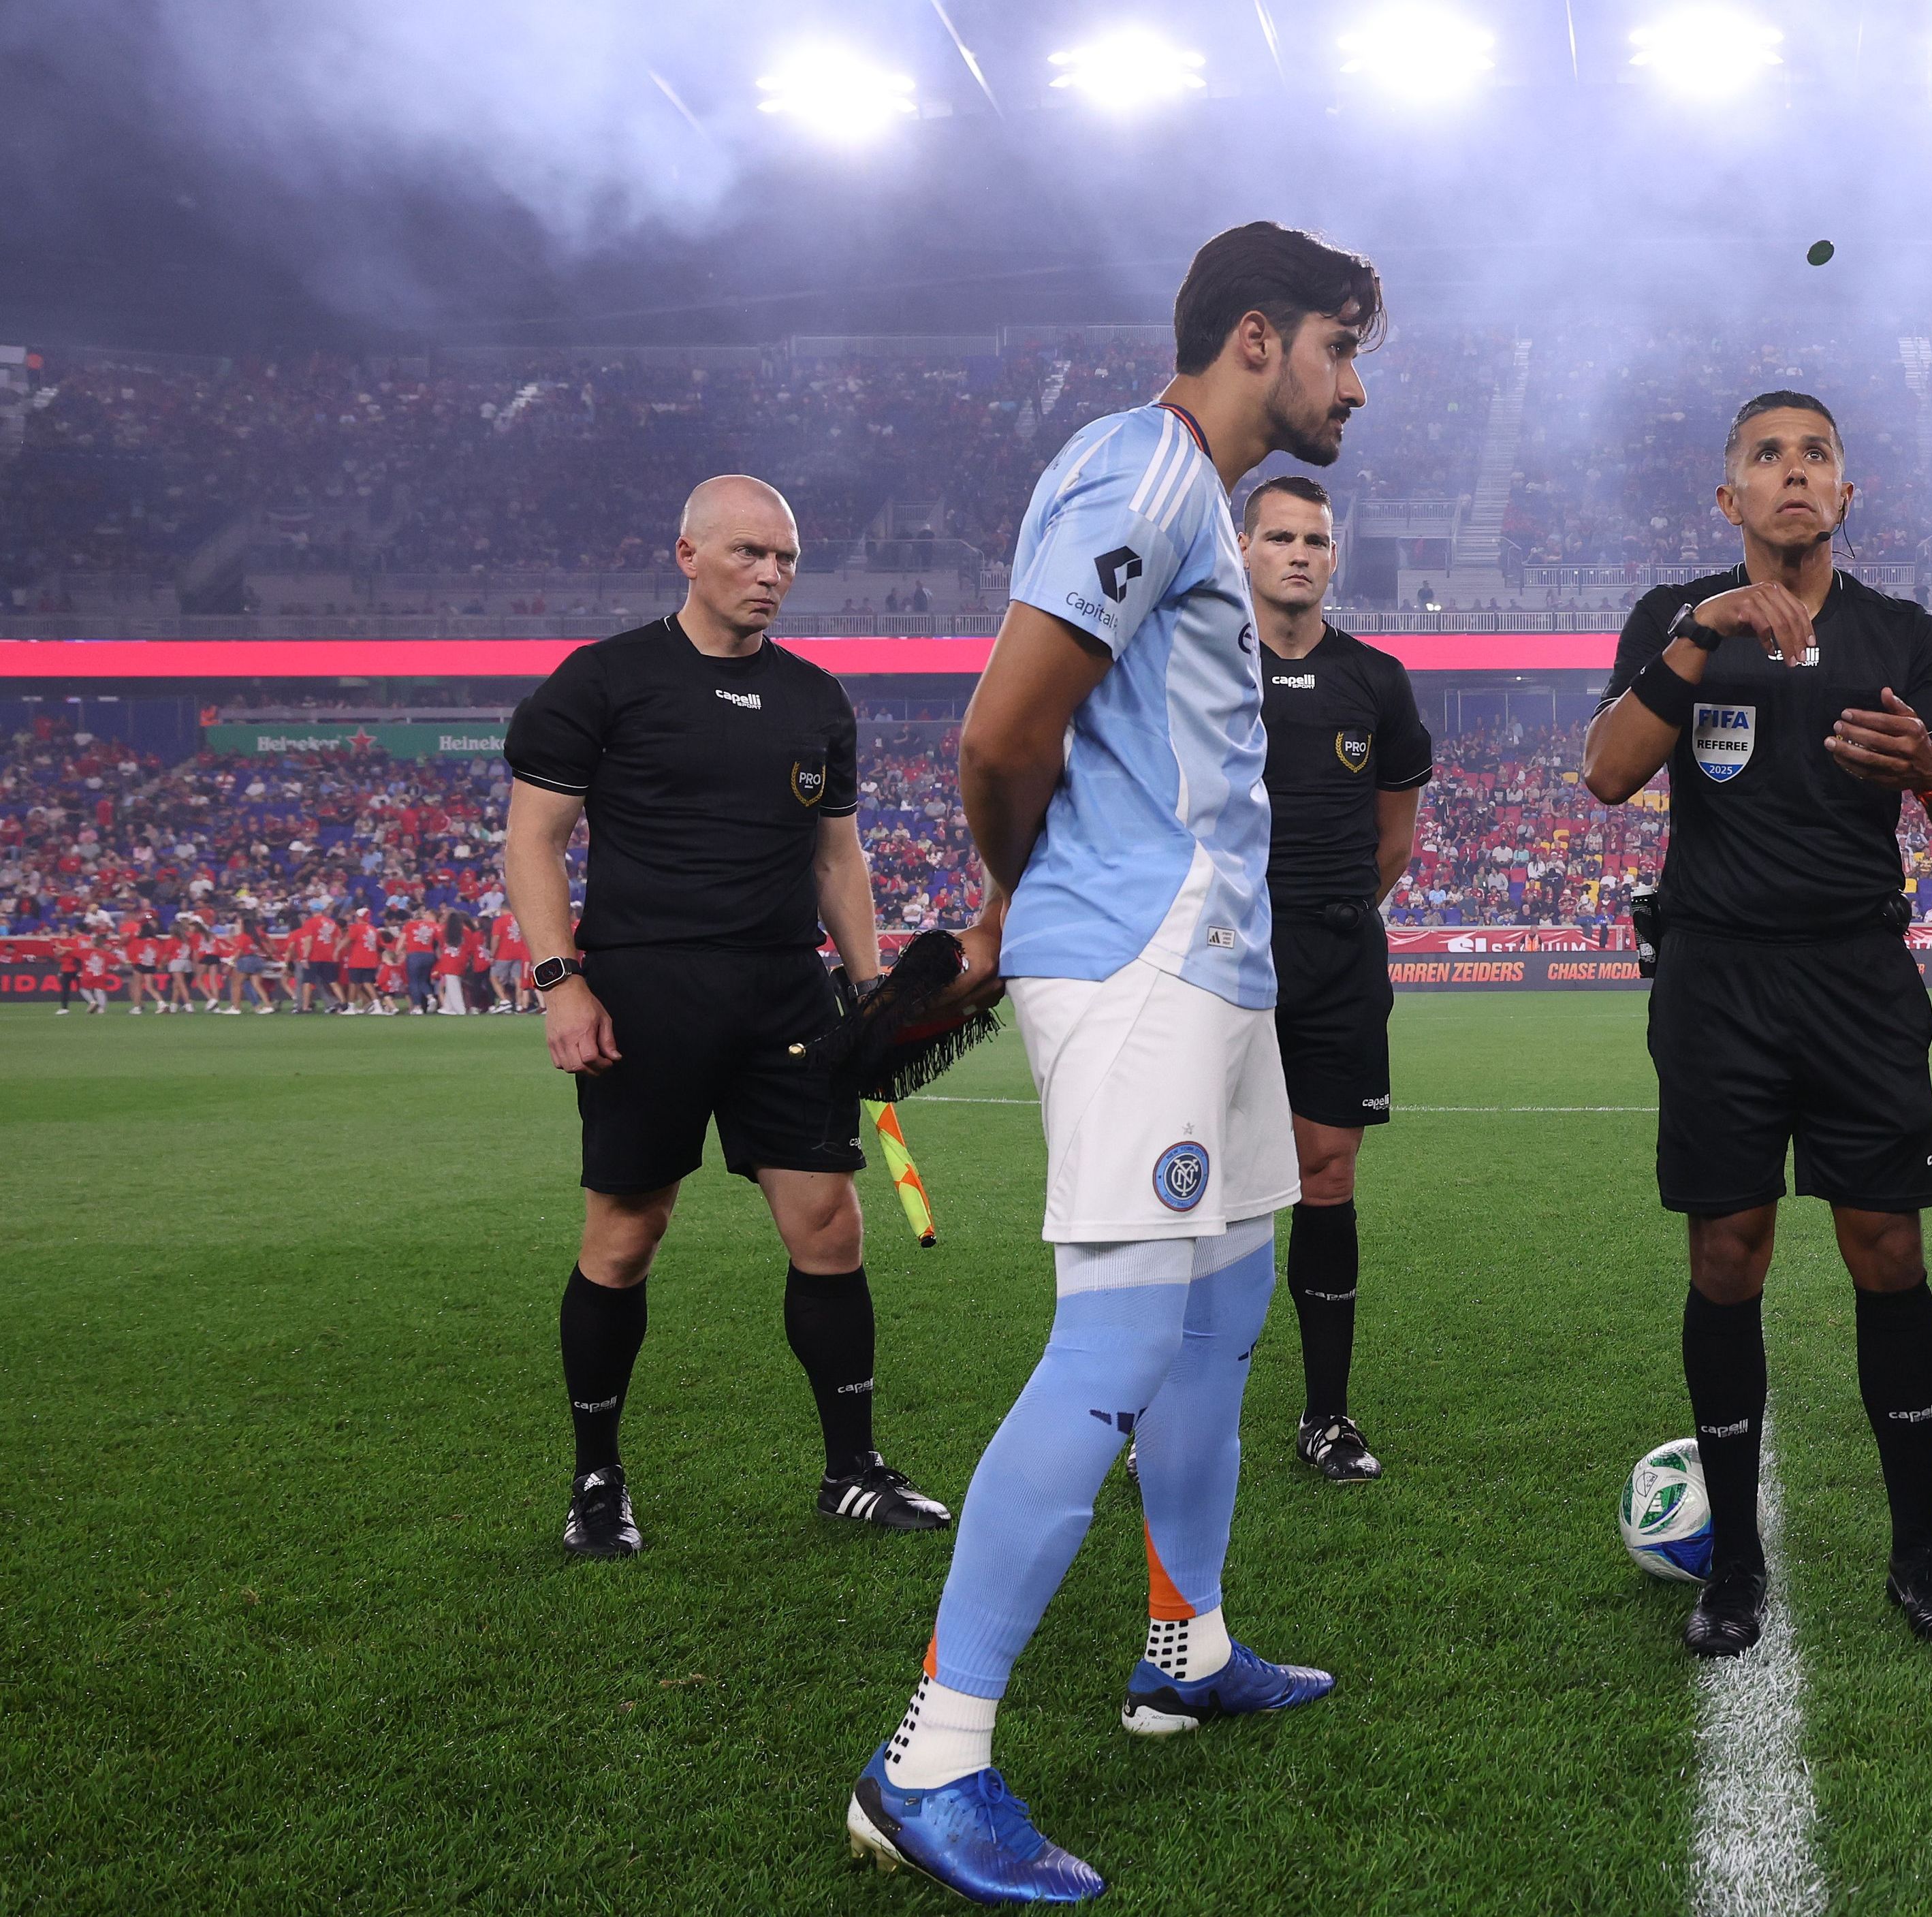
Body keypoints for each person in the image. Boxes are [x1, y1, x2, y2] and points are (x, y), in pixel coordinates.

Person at [848, 221, 1381, 1905]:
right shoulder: (1144, 470)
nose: (1354, 386)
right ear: (1254, 340)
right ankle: (928, 1759)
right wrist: (1014, 904)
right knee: (1123, 1335)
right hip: (1138, 957)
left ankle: (1186, 1642)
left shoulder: (1190, 503)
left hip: (1214, 964)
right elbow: (1003, 730)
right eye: (1339, 350)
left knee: (1225, 1313)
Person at [1579, 390, 1932, 1661]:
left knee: (1888, 1252)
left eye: (1817, 453)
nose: (1795, 472)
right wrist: (1701, 636)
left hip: (1860, 975)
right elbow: (1606, 773)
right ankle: (1738, 1564)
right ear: (1732, 499)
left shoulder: (1901, 633)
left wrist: (1930, 770)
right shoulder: (1677, 619)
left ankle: (1919, 1549)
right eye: (1767, 456)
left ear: (1845, 491)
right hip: (1717, 978)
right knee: (1729, 1258)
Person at [503, 472, 951, 1565]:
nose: (771, 575)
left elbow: (836, 855)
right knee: (626, 1235)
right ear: (688, 555)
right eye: (750, 553)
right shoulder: (603, 680)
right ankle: (596, 1483)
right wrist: (562, 982)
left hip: (785, 994)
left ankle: (851, 1470)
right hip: (644, 992)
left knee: (831, 1227)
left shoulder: (816, 698)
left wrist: (872, 993)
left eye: (787, 558)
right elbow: (533, 840)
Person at [1237, 474, 1432, 1482]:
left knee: (1327, 1176)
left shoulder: (1378, 681)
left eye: (1315, 538)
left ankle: (1326, 1416)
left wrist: (1332, 906)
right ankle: (1181, 1415)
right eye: (1279, 536)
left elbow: (1390, 838)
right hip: (1220, 960)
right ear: (1244, 550)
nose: (1300, 553)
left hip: (1336, 958)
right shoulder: (1202, 669)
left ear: (1334, 555)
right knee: (1206, 1192)